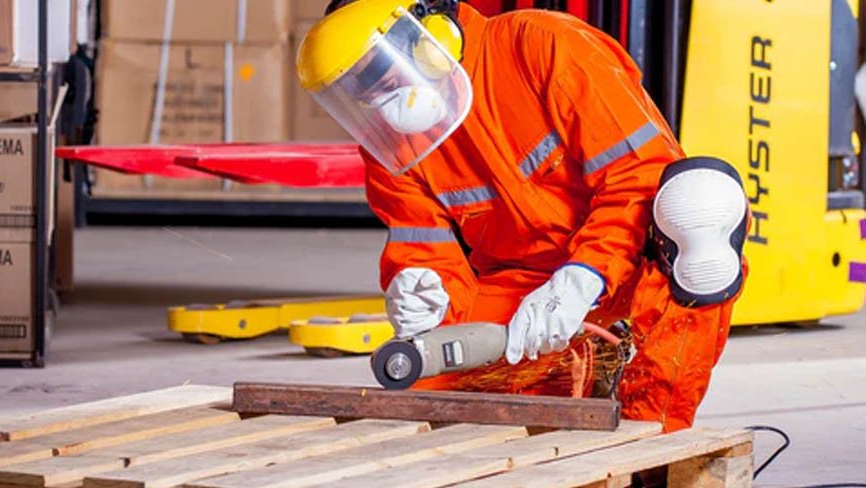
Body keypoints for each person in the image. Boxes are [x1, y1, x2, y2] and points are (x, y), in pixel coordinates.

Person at [297, 0, 749, 432]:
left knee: (699, 207)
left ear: (430, 35)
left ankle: (649, 434)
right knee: (425, 375)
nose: (376, 98)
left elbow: (639, 177)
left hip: (626, 263)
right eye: (357, 88)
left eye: (379, 74)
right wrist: (422, 291)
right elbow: (423, 244)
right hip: (525, 289)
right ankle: (582, 372)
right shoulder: (393, 142)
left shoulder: (545, 46)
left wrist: (582, 278)